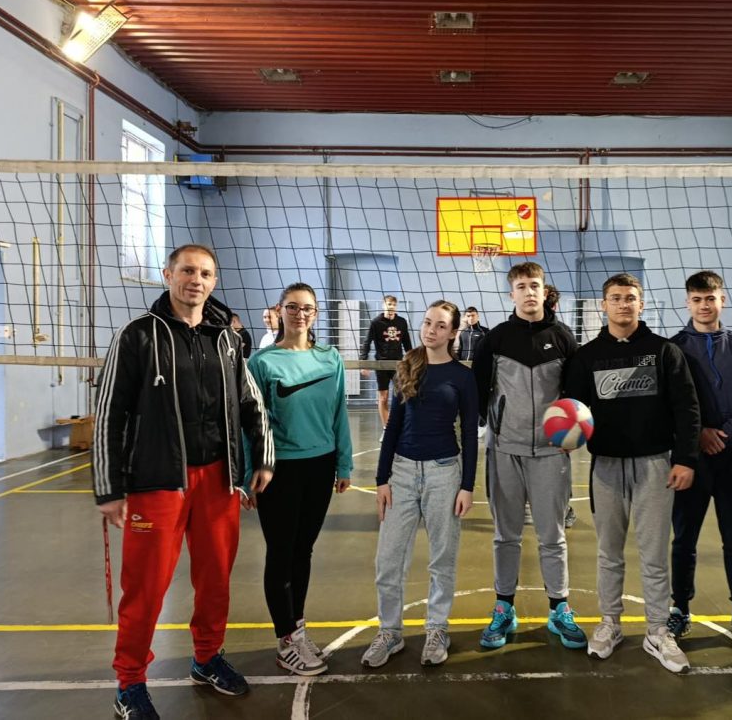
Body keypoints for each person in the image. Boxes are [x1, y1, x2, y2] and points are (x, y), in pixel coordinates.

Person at [93, 244, 274, 720]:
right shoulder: (137, 336)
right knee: (146, 587)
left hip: (218, 480)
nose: (197, 280)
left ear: (214, 282)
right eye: (188, 270)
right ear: (168, 274)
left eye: (206, 273)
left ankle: (207, 658)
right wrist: (109, 486)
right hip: (156, 482)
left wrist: (263, 458)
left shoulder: (227, 339)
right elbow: (110, 411)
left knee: (215, 579)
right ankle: (130, 683)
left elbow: (250, 401)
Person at [564, 272, 700, 672]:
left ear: (641, 304)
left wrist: (686, 458)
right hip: (606, 466)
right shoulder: (586, 357)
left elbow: (687, 408)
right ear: (603, 305)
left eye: (630, 298)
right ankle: (610, 623)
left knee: (654, 554)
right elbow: (573, 408)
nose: (623, 304)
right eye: (616, 298)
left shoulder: (664, 352)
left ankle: (658, 631)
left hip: (655, 465)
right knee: (609, 552)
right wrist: (565, 437)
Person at [472, 262, 585, 651]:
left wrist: (570, 435)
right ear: (512, 294)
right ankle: (504, 608)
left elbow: (575, 395)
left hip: (551, 453)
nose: (529, 292)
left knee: (553, 536)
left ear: (544, 290)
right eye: (521, 286)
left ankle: (559, 609)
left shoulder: (564, 338)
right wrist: (496, 428)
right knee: (506, 536)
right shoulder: (495, 339)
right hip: (505, 450)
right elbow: (478, 390)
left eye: (534, 285)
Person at [361, 300, 478, 668]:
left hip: (445, 473)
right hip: (402, 474)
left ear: (453, 332)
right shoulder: (408, 366)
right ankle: (390, 632)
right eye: (428, 323)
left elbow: (470, 435)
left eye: (441, 325)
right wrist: (382, 479)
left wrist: (468, 485)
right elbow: (393, 426)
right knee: (388, 560)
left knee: (442, 559)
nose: (431, 330)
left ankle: (437, 629)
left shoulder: (462, 377)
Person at [246, 282, 353, 676]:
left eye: (307, 308)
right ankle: (286, 640)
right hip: (280, 469)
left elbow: (339, 413)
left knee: (302, 551)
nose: (300, 314)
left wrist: (344, 464)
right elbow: (250, 424)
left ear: (316, 313)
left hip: (320, 466)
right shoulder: (261, 362)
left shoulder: (330, 358)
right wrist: (249, 473)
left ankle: (297, 629)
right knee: (281, 552)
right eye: (292, 307)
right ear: (280, 310)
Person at [668, 271, 732, 656]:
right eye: (697, 299)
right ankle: (680, 608)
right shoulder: (673, 348)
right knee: (684, 538)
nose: (704, 306)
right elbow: (667, 402)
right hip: (690, 458)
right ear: (688, 302)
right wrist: (697, 434)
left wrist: (727, 433)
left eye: (710, 299)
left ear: (722, 300)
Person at [541, 284, 577, 529]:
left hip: (528, 417)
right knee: (559, 466)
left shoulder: (562, 333)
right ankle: (563, 510)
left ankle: (560, 510)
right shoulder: (564, 333)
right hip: (558, 416)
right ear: (555, 305)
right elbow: (573, 381)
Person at [360, 295, 413, 439]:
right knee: (383, 398)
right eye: (389, 304)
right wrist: (363, 363)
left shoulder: (401, 322)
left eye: (393, 305)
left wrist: (412, 362)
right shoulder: (376, 322)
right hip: (381, 365)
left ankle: (400, 427)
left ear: (396, 307)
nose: (391, 307)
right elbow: (367, 342)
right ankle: (387, 429)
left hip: (398, 365)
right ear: (383, 305)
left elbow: (407, 343)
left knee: (401, 396)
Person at [457, 306, 490, 438]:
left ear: (478, 316)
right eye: (468, 316)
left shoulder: (485, 332)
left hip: (479, 369)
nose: (471, 318)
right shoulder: (463, 333)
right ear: (465, 317)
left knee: (479, 396)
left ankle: (482, 423)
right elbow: (461, 350)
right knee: (466, 398)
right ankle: (469, 423)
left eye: (473, 315)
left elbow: (489, 351)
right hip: (464, 369)